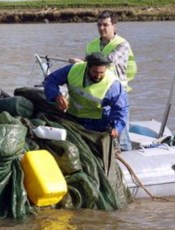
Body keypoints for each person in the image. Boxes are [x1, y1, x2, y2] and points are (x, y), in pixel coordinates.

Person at [69, 10, 136, 151]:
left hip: (117, 94)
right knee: (102, 131)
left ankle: (126, 155)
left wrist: (81, 61)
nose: (101, 28)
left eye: (105, 25)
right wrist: (82, 64)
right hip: (99, 94)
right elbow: (89, 68)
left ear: (114, 26)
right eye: (99, 25)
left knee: (121, 134)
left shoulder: (122, 44)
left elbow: (107, 61)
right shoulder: (91, 45)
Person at [44, 52, 128, 141]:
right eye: (95, 72)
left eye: (101, 72)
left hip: (98, 123)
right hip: (72, 117)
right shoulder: (73, 70)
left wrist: (116, 127)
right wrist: (56, 95)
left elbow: (121, 108)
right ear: (88, 67)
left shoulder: (112, 85)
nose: (98, 76)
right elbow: (51, 80)